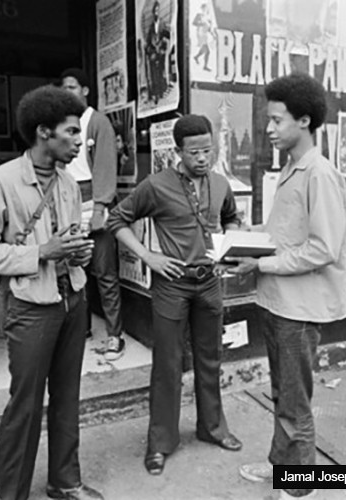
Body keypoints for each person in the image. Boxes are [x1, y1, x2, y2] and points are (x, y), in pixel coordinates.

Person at [232, 72, 346, 500]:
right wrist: (245, 242)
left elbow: (323, 248)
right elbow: (285, 233)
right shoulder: (292, 170)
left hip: (300, 310)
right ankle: (282, 468)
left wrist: (265, 262)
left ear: (304, 120)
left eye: (277, 120)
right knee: (283, 393)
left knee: (295, 404)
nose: (269, 128)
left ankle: (302, 489)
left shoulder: (319, 174)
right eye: (268, 120)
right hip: (280, 303)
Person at [0, 85, 102, 500]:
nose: (78, 142)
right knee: (26, 403)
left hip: (74, 299)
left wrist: (78, 250)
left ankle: (65, 482)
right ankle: (10, 491)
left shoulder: (69, 183)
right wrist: (43, 252)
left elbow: (68, 239)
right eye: (71, 133)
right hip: (31, 307)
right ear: (43, 132)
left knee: (68, 396)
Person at [107, 114, 243, 477]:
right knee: (167, 365)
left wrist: (226, 249)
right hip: (171, 284)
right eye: (194, 151)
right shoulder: (155, 185)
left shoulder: (220, 183)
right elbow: (116, 221)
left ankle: (213, 428)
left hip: (210, 282)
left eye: (208, 150)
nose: (202, 158)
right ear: (178, 151)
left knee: (210, 358)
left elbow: (232, 218)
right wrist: (148, 256)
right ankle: (161, 443)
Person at [61, 68, 125, 361]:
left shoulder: (97, 122)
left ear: (85, 90)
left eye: (72, 87)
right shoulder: (62, 124)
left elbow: (105, 167)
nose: (67, 92)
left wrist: (100, 207)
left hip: (94, 201)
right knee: (75, 272)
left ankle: (115, 336)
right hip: (69, 204)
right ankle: (81, 330)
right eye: (63, 88)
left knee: (105, 274)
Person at [144, 1, 169, 102]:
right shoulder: (151, 26)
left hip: (161, 52)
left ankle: (162, 91)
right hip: (154, 54)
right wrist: (150, 50)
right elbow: (149, 40)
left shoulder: (163, 24)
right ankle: (156, 94)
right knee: (154, 73)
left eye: (157, 11)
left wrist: (162, 46)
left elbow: (167, 36)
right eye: (154, 11)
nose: (156, 13)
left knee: (160, 72)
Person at [192, 2, 215, 71]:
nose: (205, 10)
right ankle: (205, 66)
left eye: (206, 8)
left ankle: (196, 57)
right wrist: (201, 23)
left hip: (206, 35)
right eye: (204, 8)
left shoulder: (208, 18)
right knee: (207, 51)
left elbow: (209, 29)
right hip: (200, 33)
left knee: (204, 49)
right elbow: (194, 23)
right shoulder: (199, 15)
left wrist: (213, 35)